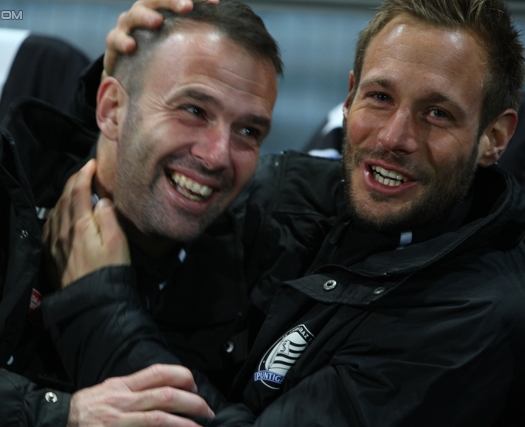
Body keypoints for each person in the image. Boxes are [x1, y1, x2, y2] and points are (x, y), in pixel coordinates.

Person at [51, 0, 525, 425]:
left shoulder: (474, 317)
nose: (393, 137)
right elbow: (135, 199)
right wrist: (132, 101)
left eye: (437, 113)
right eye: (380, 97)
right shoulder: (305, 194)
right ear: (350, 94)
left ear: (494, 138)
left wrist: (99, 307)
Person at [0, 1, 340, 426]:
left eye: (248, 130)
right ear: (110, 108)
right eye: (194, 109)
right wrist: (56, 413)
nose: (219, 155)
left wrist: (102, 307)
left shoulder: (248, 285)